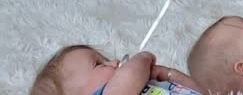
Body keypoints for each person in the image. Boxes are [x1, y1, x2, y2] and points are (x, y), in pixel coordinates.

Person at [30, 45, 202, 95]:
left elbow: (201, 91)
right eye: (99, 64)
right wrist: (141, 58)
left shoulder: (142, 84)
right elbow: (129, 76)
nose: (115, 62)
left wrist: (170, 74)